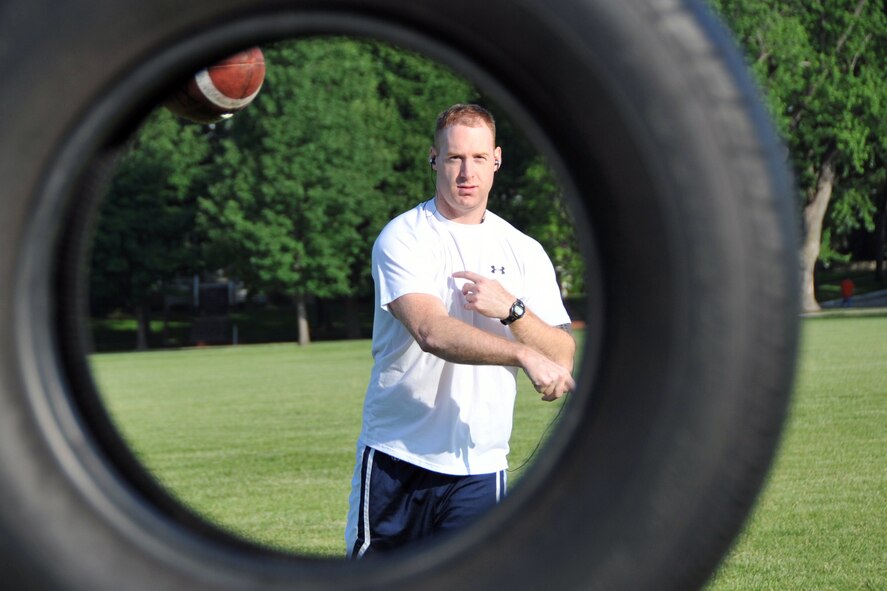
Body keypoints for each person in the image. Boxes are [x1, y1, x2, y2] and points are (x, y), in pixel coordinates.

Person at [345, 104, 576, 558]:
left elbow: (562, 354)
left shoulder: (524, 250)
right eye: (454, 158)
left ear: (497, 160)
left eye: (477, 157)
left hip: (481, 464)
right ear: (434, 159)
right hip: (399, 458)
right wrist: (522, 355)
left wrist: (511, 310)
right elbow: (431, 331)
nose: (466, 171)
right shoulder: (405, 237)